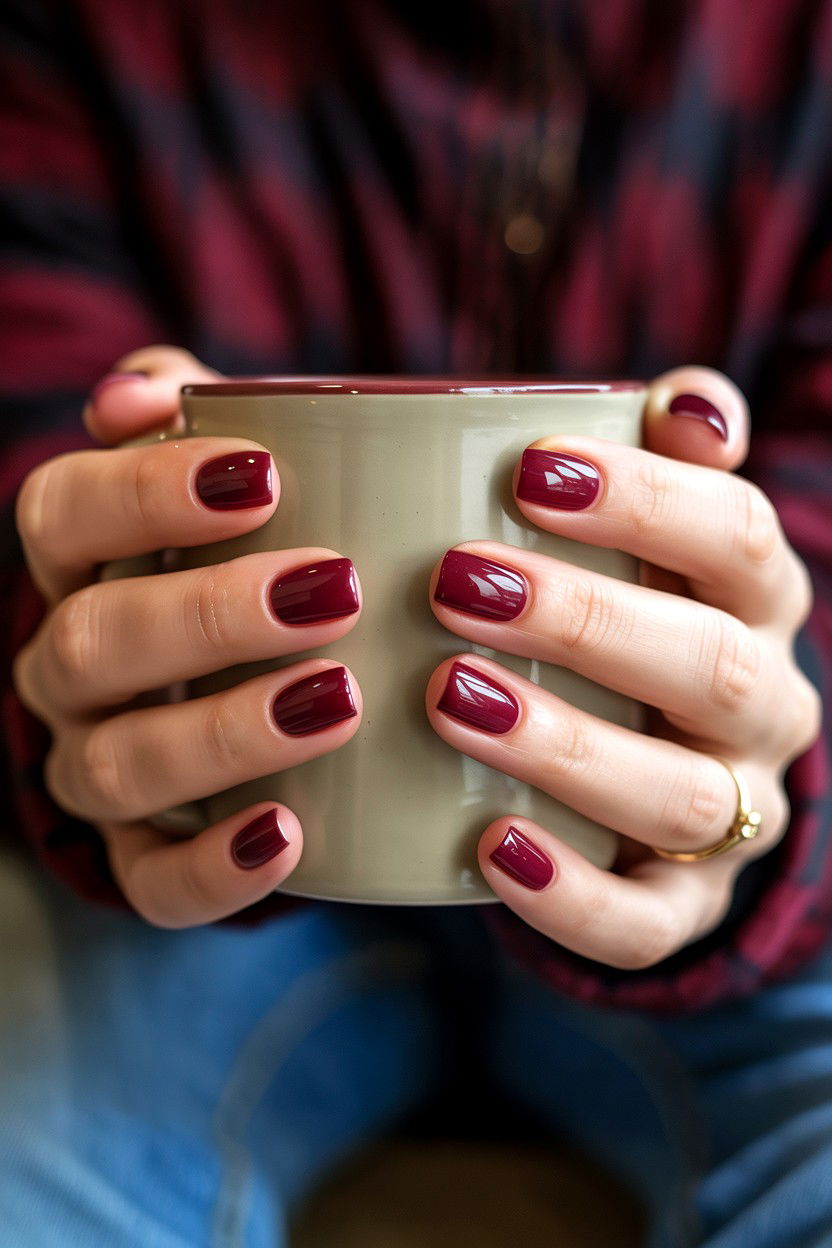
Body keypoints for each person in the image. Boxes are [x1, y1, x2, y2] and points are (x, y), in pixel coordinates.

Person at [1, 2, 831, 1245]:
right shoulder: (77, 30)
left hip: (702, 904)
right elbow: (29, 485)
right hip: (216, 873)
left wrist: (765, 780)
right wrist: (80, 679)